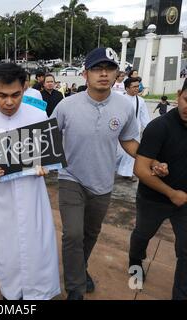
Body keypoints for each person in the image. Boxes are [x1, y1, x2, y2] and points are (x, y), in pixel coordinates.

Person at [50, 47, 168, 300]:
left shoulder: (125, 107)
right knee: (72, 233)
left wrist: (151, 161)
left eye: (109, 69)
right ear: (85, 74)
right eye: (97, 68)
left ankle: (80, 268)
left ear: (116, 74)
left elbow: (128, 141)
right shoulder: (65, 106)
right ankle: (75, 289)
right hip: (71, 177)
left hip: (103, 181)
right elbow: (48, 140)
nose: (103, 74)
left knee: (91, 233)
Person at [0, 63, 61, 300]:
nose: (8, 102)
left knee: (36, 244)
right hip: (0, 198)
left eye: (15, 95)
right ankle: (10, 294)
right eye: (2, 95)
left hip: (32, 195)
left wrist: (45, 167)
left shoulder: (38, 116)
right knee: (6, 247)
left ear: (24, 88)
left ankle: (39, 292)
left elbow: (49, 158)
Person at [129, 79, 187, 300]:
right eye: (186, 100)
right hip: (152, 199)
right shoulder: (159, 126)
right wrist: (172, 193)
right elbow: (141, 170)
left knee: (185, 251)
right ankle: (135, 264)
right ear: (179, 94)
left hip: (185, 203)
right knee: (142, 236)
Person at [117, 77, 151, 182]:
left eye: (138, 86)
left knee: (131, 154)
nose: (137, 89)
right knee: (119, 153)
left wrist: (148, 130)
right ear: (127, 88)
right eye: (134, 86)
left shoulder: (140, 101)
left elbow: (144, 117)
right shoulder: (119, 99)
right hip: (119, 130)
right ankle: (113, 169)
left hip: (134, 131)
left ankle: (127, 173)